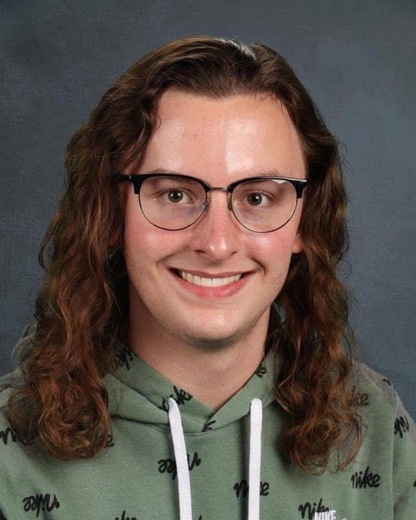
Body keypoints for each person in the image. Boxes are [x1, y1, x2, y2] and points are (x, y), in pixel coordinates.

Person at [0, 36, 415, 520]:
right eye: (175, 195)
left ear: (305, 221)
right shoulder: (11, 455)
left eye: (258, 198)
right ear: (109, 216)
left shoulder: (375, 425)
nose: (217, 245)